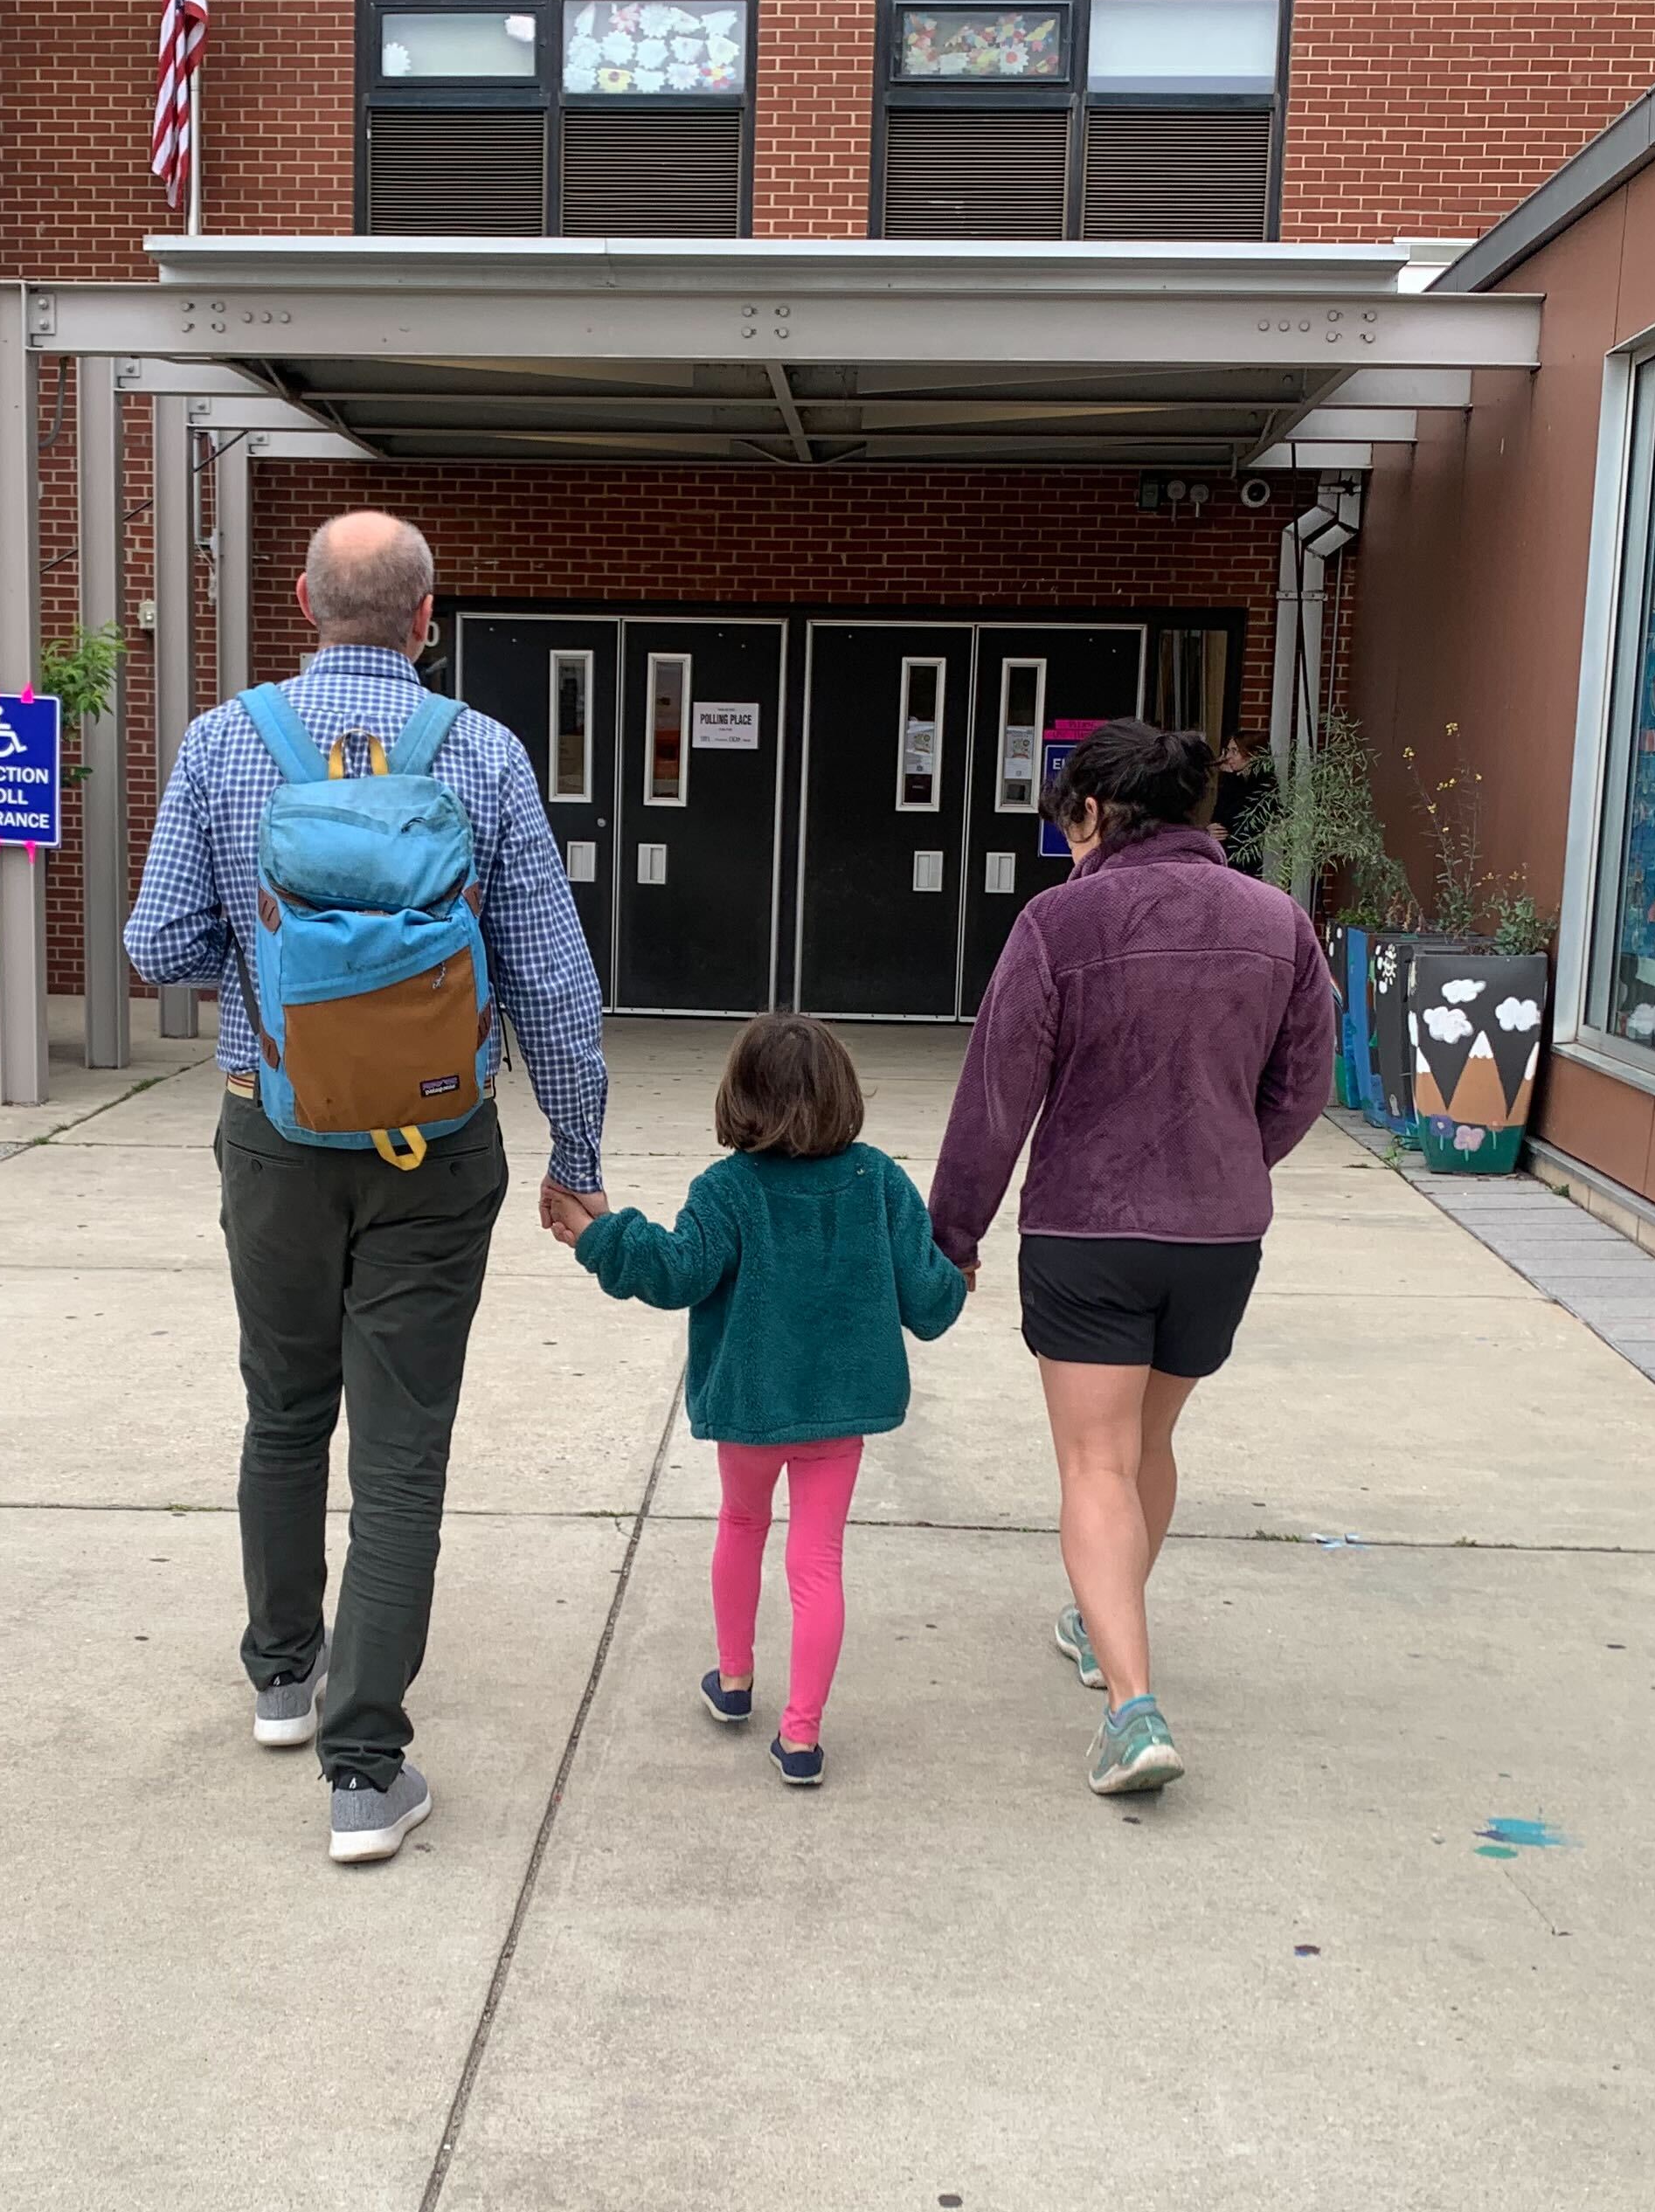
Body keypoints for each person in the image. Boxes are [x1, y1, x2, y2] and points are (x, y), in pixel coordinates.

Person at [125, 509, 609, 1864]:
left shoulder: (226, 744)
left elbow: (158, 942)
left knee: (284, 1409)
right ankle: (364, 1771)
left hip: (271, 1133)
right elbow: (557, 987)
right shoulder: (487, 756)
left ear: (301, 603)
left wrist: (288, 988)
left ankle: (283, 1677)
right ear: (426, 618)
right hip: (439, 1151)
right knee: (403, 1452)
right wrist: (577, 1157)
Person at [926, 720, 1335, 1798]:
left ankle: (1133, 1708)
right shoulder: (1280, 923)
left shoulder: (1061, 923)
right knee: (1149, 1443)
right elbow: (1303, 1086)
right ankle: (1098, 1624)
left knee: (1093, 1465)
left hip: (1089, 1232)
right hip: (1218, 1235)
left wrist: (953, 1230)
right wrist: (1236, 1158)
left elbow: (997, 1093)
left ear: (1096, 815)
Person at [553, 1013, 968, 1787]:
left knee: (741, 1525)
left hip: (750, 1406)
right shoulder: (879, 1179)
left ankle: (735, 1679)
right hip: (839, 1416)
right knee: (819, 1563)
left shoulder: (727, 1190)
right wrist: (956, 1279)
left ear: (739, 1097)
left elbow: (675, 1271)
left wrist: (601, 1237)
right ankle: (802, 1737)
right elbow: (931, 1301)